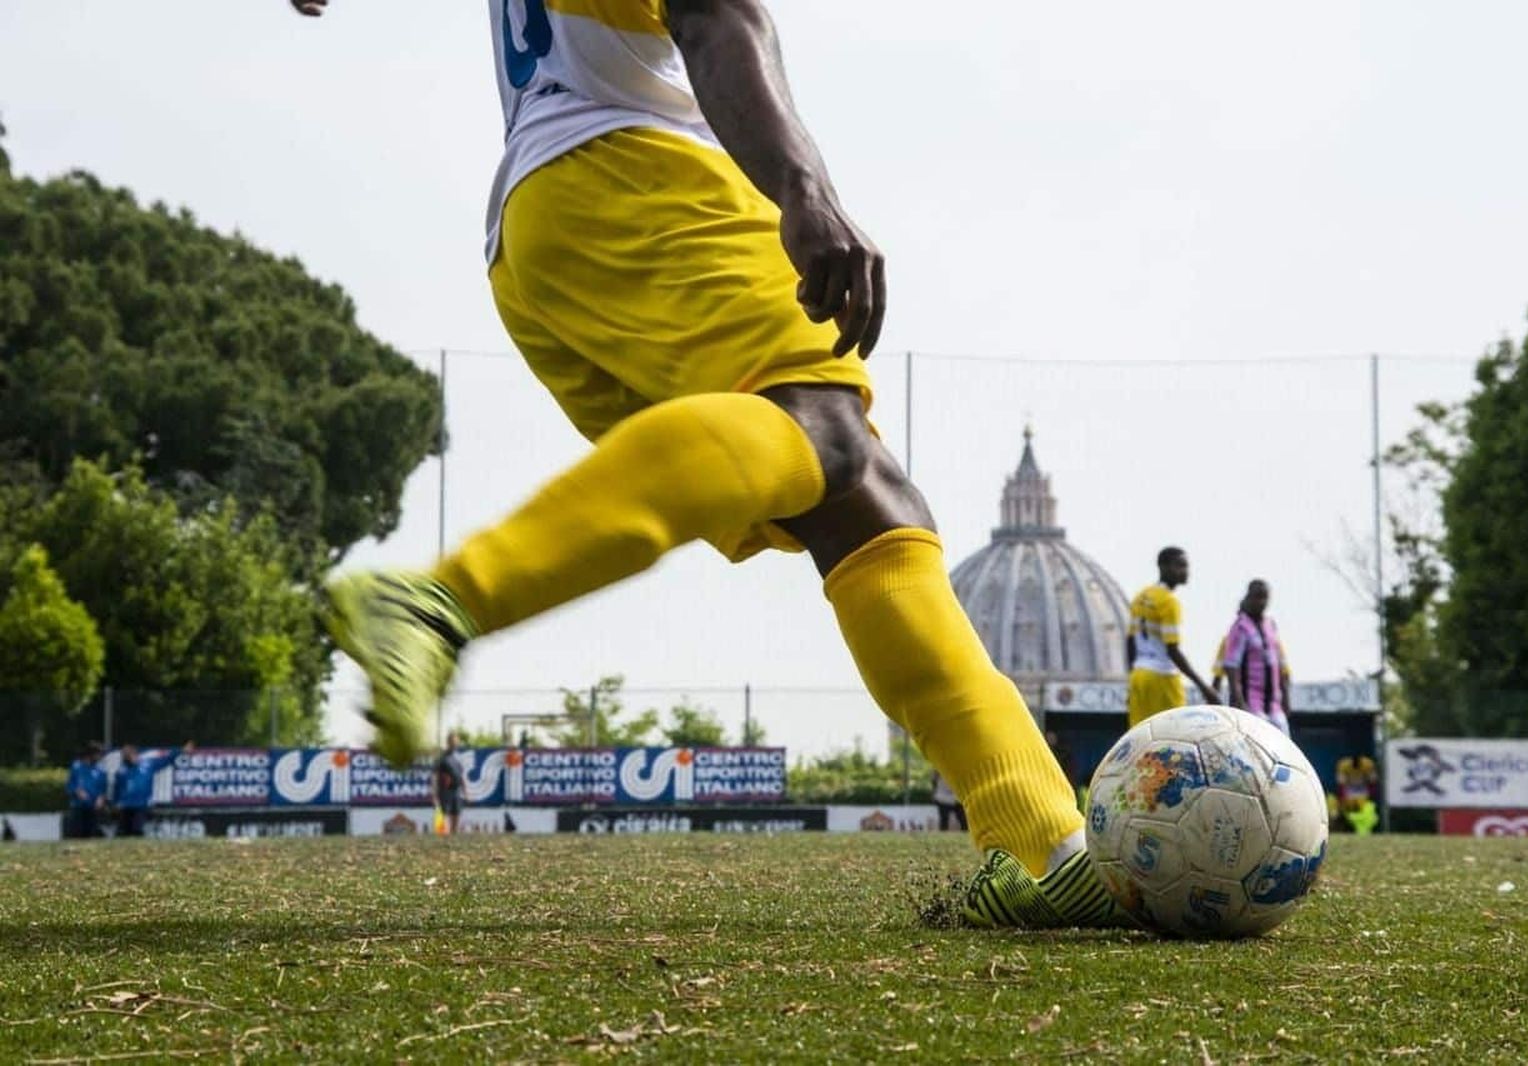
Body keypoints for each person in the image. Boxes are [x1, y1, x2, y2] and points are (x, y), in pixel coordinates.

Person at [293, 0, 1121, 930]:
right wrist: (802, 187)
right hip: (632, 170)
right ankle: (443, 600)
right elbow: (714, 11)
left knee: (865, 506)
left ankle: (1043, 844)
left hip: (543, 222)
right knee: (827, 434)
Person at [1126, 547, 1218, 724]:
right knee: (1175, 732)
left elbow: (1130, 642)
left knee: (1140, 735)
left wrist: (1131, 679)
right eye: (1180, 566)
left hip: (1139, 677)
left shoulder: (1140, 596)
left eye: (1186, 566)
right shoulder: (1169, 602)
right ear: (1163, 567)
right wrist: (1204, 687)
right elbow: (1173, 650)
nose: (1185, 572)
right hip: (1163, 676)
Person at [1221, 579, 1292, 733]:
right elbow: (1231, 667)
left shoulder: (1270, 624)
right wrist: (1240, 703)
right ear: (1249, 597)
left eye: (1265, 597)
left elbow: (1279, 662)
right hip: (1252, 702)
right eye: (1257, 597)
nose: (1261, 602)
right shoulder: (1240, 627)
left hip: (1274, 704)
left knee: (1284, 748)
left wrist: (1285, 695)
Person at [111, 742, 191, 838]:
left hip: (141, 804)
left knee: (137, 830)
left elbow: (167, 758)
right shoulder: (121, 771)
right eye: (125, 756)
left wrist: (181, 751)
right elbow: (117, 789)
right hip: (125, 805)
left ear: (135, 754)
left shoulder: (148, 764)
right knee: (124, 832)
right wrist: (115, 803)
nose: (128, 757)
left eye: (130, 754)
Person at [65, 742, 108, 840]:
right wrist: (77, 791)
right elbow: (69, 785)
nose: (100, 757)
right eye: (98, 754)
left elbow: (103, 788)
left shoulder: (101, 770)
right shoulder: (76, 767)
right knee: (77, 833)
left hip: (94, 807)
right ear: (91, 754)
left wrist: (101, 798)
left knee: (92, 833)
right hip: (78, 806)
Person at [434, 731, 467, 835]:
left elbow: (461, 775)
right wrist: (434, 793)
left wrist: (466, 791)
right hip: (445, 791)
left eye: (456, 742)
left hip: (456, 790)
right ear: (448, 742)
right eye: (453, 742)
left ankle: (454, 837)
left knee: (456, 814)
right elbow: (434, 775)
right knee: (445, 815)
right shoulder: (442, 758)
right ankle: (444, 838)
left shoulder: (456, 758)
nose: (455, 744)